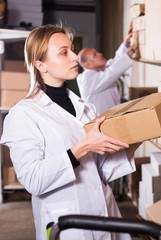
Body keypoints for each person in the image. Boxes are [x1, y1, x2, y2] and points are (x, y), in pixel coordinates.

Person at [0, 24, 140, 240]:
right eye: (64, 52)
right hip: (68, 224)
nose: (75, 57)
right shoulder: (23, 115)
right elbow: (34, 181)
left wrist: (135, 140)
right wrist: (83, 146)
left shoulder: (86, 107)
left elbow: (100, 173)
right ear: (41, 65)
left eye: (72, 49)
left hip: (105, 213)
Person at [77, 22, 136, 114]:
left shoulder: (100, 71)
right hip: (102, 124)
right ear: (88, 64)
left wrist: (126, 42)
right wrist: (132, 51)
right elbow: (112, 72)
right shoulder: (87, 79)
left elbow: (116, 61)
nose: (100, 54)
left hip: (113, 118)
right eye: (95, 55)